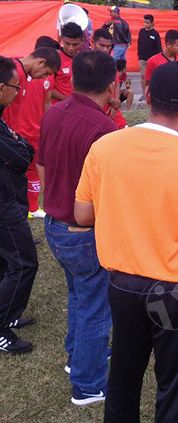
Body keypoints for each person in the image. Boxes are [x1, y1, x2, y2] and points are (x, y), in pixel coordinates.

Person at [74, 61, 178, 422]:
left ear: (147, 96)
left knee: (123, 379)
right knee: (175, 387)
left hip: (123, 285)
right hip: (177, 291)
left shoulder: (106, 147)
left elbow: (82, 214)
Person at [38, 50, 118, 405]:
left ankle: (78, 358)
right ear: (112, 84)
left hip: (55, 224)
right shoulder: (102, 129)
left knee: (79, 297)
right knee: (95, 308)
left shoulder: (54, 113)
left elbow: (42, 164)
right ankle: (87, 384)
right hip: (83, 232)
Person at [0, 56, 38, 355]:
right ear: (2, 87)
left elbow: (22, 149)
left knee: (7, 263)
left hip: (8, 197)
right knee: (24, 263)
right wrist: (18, 147)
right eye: (15, 87)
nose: (18, 92)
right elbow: (24, 156)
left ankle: (9, 313)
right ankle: (1, 325)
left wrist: (19, 146)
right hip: (3, 205)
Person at [2, 42, 61, 220]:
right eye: (47, 73)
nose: (45, 77)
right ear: (41, 62)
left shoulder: (23, 75)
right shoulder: (13, 73)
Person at [146, 30, 178, 142]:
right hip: (163, 106)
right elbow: (148, 83)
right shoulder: (153, 61)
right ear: (168, 44)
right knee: (165, 136)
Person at [92, 29, 128, 130]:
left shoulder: (111, 61)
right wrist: (112, 101)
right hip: (96, 110)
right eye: (102, 45)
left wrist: (115, 103)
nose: (105, 49)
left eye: (108, 46)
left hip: (112, 109)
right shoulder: (87, 62)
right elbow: (90, 90)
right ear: (93, 42)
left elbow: (116, 83)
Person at [52, 22, 84, 103]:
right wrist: (68, 100)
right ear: (62, 39)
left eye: (75, 44)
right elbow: (48, 88)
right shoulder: (54, 59)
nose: (71, 48)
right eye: (67, 43)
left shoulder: (84, 59)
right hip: (59, 108)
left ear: (82, 41)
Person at [137, 14, 161, 101]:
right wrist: (139, 55)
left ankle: (153, 93)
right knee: (143, 76)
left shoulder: (155, 34)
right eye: (144, 22)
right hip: (142, 58)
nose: (145, 24)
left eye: (147, 23)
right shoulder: (141, 31)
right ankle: (144, 94)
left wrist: (156, 59)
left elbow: (158, 49)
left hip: (152, 60)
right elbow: (139, 44)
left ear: (152, 23)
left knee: (152, 77)